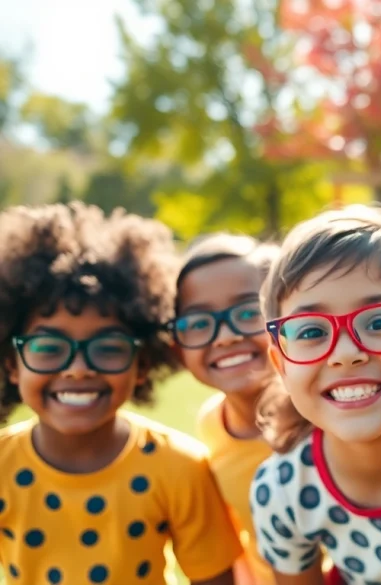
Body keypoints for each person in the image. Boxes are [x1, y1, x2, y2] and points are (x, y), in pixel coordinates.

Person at [0, 202, 242, 584]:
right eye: (49, 349)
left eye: (108, 347)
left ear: (142, 363)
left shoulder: (180, 467)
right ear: (12, 364)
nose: (78, 370)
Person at [250, 204, 381, 585]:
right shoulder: (283, 489)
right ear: (281, 366)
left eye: (380, 322)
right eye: (310, 332)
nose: (346, 354)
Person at [170, 234, 282, 585]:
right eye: (199, 323)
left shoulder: (333, 412)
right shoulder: (211, 424)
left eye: (249, 312)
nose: (224, 337)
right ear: (177, 347)